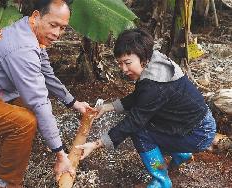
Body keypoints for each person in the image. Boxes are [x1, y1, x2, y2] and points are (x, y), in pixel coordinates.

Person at [0, 0, 89, 187]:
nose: (57, 34)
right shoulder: (22, 48)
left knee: (24, 105)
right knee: (24, 122)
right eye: (53, 25)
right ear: (37, 16)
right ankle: (4, 182)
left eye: (62, 28)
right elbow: (39, 101)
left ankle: (0, 167)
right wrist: (61, 154)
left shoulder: (28, 29)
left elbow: (46, 73)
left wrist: (73, 102)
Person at [76, 28, 216, 188]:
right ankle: (181, 153)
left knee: (140, 132)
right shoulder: (155, 61)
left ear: (142, 58)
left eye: (128, 63)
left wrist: (96, 144)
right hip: (194, 124)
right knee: (148, 124)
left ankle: (161, 180)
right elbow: (139, 97)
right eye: (120, 63)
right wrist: (107, 107)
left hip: (198, 133)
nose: (123, 69)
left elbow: (134, 121)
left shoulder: (154, 86)